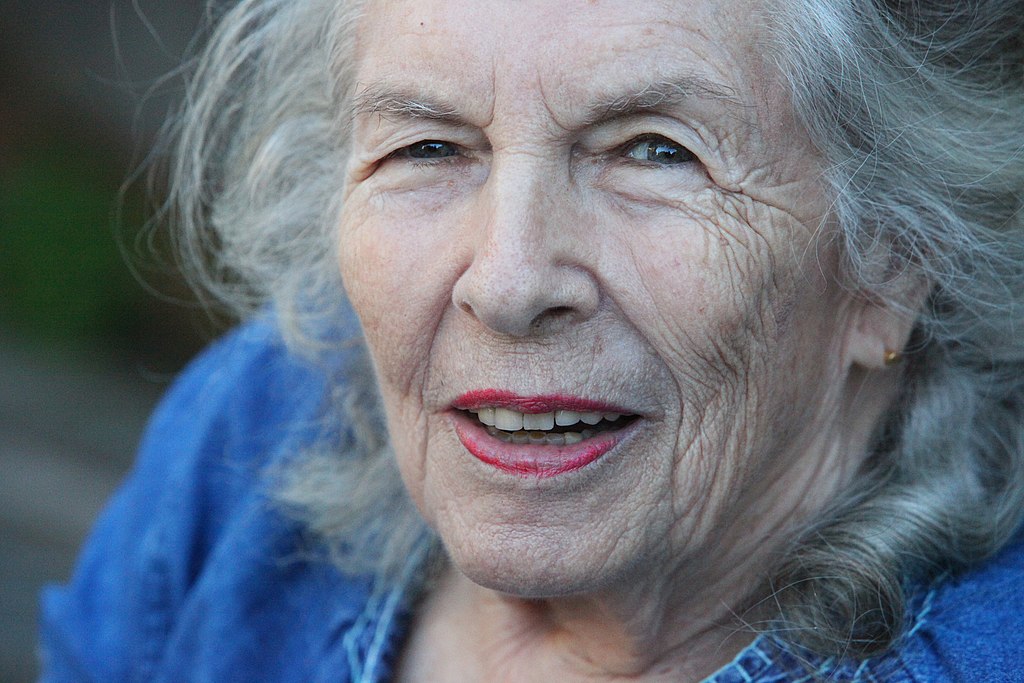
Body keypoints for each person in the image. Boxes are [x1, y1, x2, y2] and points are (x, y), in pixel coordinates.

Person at [40, 0, 1024, 680]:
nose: (508, 282)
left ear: (893, 254)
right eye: (428, 145)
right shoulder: (254, 429)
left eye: (653, 149)